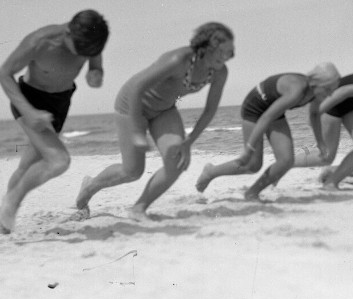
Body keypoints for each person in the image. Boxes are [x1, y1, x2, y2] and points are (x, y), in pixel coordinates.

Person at [73, 22, 233, 221]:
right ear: (207, 45)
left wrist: (189, 142)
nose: (226, 57)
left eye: (230, 52)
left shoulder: (219, 72)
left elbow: (210, 111)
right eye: (222, 51)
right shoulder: (179, 59)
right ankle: (90, 186)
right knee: (132, 171)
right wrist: (138, 131)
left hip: (163, 110)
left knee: (177, 161)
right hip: (131, 104)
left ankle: (139, 208)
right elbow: (137, 88)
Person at [0, 9, 109, 233]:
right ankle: (11, 204)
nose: (83, 56)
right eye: (81, 51)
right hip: (29, 100)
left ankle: (3, 214)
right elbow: (4, 73)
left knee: (28, 165)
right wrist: (29, 112)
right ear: (68, 33)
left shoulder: (91, 40)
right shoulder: (40, 41)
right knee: (58, 160)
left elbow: (95, 66)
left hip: (60, 103)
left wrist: (96, 74)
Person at [194, 63, 341, 199]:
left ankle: (252, 193)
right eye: (327, 89)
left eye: (332, 91)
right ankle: (210, 172)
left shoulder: (316, 92)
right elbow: (266, 117)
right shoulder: (297, 90)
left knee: (286, 161)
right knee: (252, 165)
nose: (329, 95)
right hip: (255, 108)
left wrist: (320, 143)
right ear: (317, 82)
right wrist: (249, 148)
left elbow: (314, 114)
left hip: (272, 111)